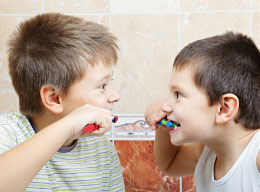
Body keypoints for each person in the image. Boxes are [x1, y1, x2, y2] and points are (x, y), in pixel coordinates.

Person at [0, 13, 125, 191]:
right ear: (54, 98)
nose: (115, 95)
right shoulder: (6, 134)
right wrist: (68, 125)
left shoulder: (103, 153)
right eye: (102, 85)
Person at [145, 32, 260, 191]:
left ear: (224, 108)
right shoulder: (207, 153)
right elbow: (170, 163)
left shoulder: (256, 155)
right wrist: (163, 125)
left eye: (178, 95)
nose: (167, 105)